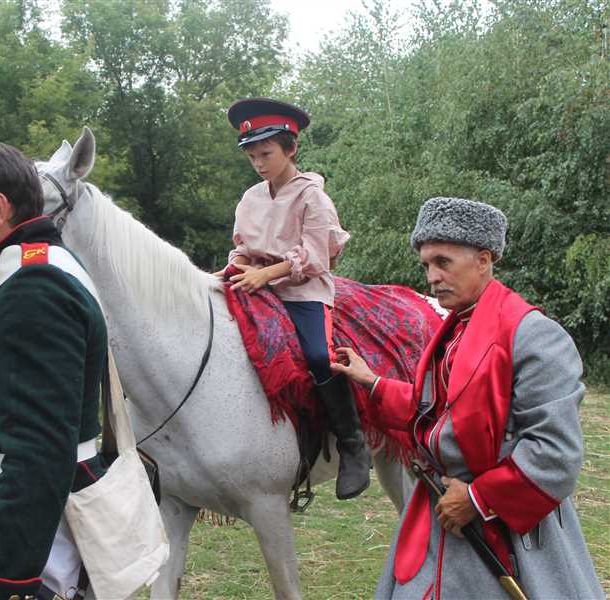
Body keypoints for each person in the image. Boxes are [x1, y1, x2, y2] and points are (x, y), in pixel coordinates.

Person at [331, 197, 603, 598]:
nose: (432, 277)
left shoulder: (534, 336)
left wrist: (478, 498)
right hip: (440, 518)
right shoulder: (453, 331)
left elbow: (555, 453)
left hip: (509, 534)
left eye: (443, 262)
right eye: (426, 265)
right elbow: (441, 415)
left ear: (483, 260)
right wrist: (373, 382)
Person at [0, 141, 108, 600]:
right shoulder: (32, 267)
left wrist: (0, 579)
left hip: (29, 530)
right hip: (19, 516)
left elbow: (40, 454)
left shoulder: (33, 287)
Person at [219, 97, 370, 500]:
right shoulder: (250, 198)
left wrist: (267, 274)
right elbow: (241, 247)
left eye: (266, 153)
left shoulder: (312, 197)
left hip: (302, 290)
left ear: (291, 149)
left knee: (319, 357)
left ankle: (352, 443)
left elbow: (317, 254)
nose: (259, 162)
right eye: (252, 155)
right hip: (255, 281)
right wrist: (235, 267)